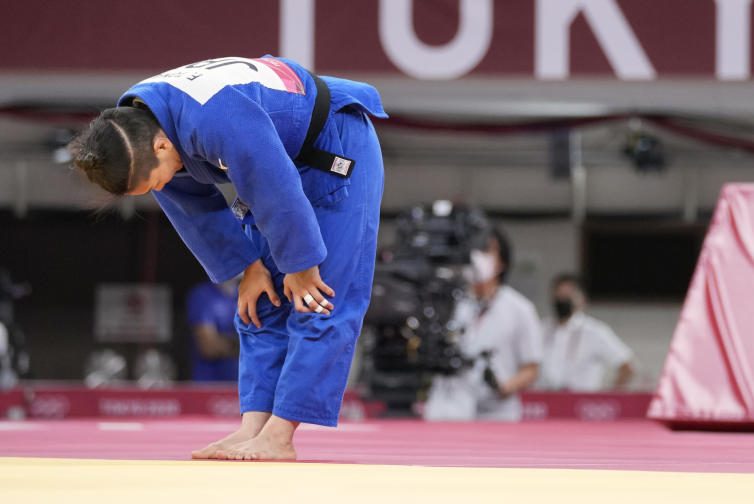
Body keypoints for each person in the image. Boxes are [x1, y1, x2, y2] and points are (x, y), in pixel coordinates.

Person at [69, 54, 385, 461]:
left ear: (161, 146)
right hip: (279, 165)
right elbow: (194, 210)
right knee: (258, 302)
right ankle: (253, 427)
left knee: (320, 298)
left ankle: (280, 434)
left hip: (335, 145)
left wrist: (302, 266)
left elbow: (273, 185)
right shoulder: (139, 126)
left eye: (154, 181)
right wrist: (247, 268)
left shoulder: (214, 117)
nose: (158, 188)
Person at [423, 226, 541, 421]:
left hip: (498, 413)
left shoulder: (520, 309)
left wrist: (504, 387)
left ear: (502, 262)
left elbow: (531, 368)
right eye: (474, 250)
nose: (477, 257)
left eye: (487, 250)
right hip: (452, 408)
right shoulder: (452, 304)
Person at [537, 273, 634, 392]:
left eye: (568, 295)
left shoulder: (595, 331)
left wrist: (607, 398)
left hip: (579, 403)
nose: (562, 299)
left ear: (582, 299)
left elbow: (626, 367)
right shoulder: (540, 329)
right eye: (559, 294)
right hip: (544, 401)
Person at [186, 277, 241, 382]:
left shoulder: (244, 292)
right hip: (210, 384)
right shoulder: (202, 294)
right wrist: (250, 345)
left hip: (242, 383)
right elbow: (209, 346)